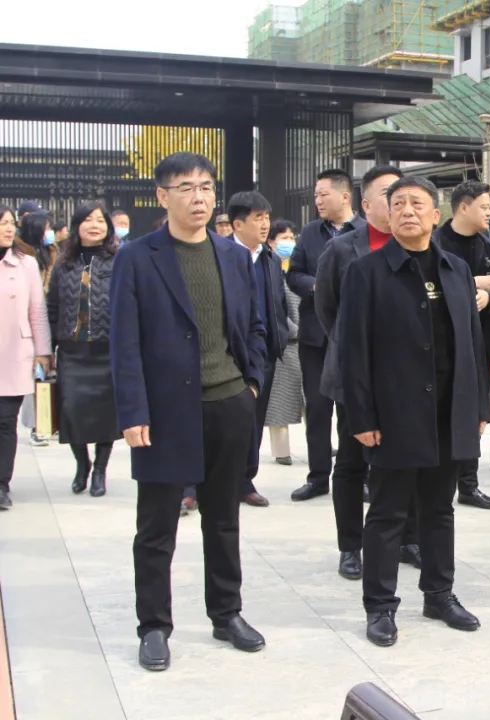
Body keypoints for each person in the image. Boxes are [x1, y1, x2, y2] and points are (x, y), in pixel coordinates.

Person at [110, 152, 267, 672]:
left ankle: (227, 613)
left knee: (223, 520)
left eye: (205, 187)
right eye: (185, 188)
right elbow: (124, 342)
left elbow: (254, 325)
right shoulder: (138, 257)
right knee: (157, 527)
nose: (198, 198)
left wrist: (250, 383)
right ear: (162, 196)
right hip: (164, 412)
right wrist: (133, 410)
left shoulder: (233, 255)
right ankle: (154, 626)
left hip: (228, 403)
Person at [339, 175, 489, 647]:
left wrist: (478, 406)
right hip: (394, 413)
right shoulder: (366, 272)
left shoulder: (455, 269)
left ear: (435, 215)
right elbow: (352, 351)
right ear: (386, 214)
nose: (407, 211)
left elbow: (473, 342)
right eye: (398, 203)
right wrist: (362, 417)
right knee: (387, 513)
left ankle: (439, 594)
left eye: (417, 203)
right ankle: (380, 606)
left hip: (448, 411)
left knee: (439, 509)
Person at [315, 164, 422, 580]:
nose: (402, 204)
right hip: (354, 377)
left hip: (407, 378)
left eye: (409, 196)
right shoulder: (343, 249)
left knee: (407, 459)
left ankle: (408, 538)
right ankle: (350, 545)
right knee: (351, 463)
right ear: (366, 204)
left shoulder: (419, 246)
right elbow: (328, 310)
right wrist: (356, 352)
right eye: (390, 195)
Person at [286, 168, 362, 502]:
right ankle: (318, 477)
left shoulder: (365, 232)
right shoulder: (309, 233)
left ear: (345, 196)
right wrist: (316, 286)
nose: (317, 200)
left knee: (351, 412)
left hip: (352, 339)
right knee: (317, 409)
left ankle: (356, 476)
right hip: (315, 338)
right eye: (315, 195)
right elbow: (294, 275)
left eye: (323, 194)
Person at [434, 180, 490, 510]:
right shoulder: (435, 242)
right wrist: (469, 284)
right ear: (463, 207)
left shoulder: (489, 246)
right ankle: (441, 482)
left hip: (479, 343)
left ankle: (469, 484)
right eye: (484, 207)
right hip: (443, 344)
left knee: (477, 414)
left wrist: (489, 299)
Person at [47, 201, 121, 498]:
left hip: (107, 351)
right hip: (72, 352)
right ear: (77, 226)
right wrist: (48, 348)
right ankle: (83, 464)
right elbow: (52, 307)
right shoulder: (63, 263)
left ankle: (100, 470)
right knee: (71, 410)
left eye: (100, 220)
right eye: (88, 220)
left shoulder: (119, 260)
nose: (95, 225)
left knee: (107, 415)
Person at [226, 191, 290, 508]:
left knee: (254, 419)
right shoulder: (220, 255)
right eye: (257, 218)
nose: (265, 224)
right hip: (228, 354)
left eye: (266, 217)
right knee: (222, 420)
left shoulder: (271, 259)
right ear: (238, 224)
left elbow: (277, 302)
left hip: (263, 353)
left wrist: (278, 339)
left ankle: (245, 481)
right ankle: (198, 484)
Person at [0, 204, 52, 510]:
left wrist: (43, 352)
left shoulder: (26, 264)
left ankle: (1, 484)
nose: (9, 229)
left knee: (6, 422)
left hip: (14, 354)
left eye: (11, 223)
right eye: (2, 223)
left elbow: (38, 311)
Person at [264, 220, 304, 466]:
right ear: (271, 242)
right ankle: (281, 451)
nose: (289, 242)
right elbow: (275, 307)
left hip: (305, 340)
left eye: (291, 237)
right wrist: (293, 330)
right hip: (285, 342)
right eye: (284, 238)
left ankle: (320, 443)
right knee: (281, 399)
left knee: (312, 398)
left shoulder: (298, 267)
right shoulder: (269, 268)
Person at [18, 211, 57, 447]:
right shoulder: (22, 258)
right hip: (29, 322)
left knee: (48, 375)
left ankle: (48, 420)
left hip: (50, 319)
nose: (50, 232)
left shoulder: (53, 253)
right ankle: (37, 424)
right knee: (34, 378)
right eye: (47, 228)